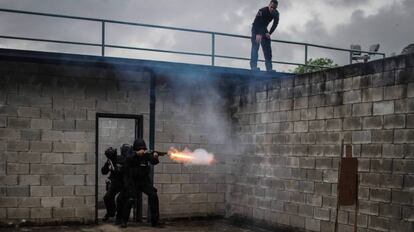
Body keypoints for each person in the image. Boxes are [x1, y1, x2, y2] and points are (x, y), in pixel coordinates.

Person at [120, 138, 162, 228]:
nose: (142, 150)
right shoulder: (130, 151)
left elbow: (154, 162)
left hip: (144, 180)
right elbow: (127, 159)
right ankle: (124, 221)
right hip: (132, 180)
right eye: (140, 149)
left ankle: (155, 221)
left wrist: (155, 156)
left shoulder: (146, 153)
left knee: (153, 195)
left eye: (142, 148)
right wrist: (136, 154)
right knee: (130, 199)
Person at [250, 0, 280, 72]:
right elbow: (256, 23)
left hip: (264, 30)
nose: (272, 9)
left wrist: (269, 33)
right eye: (271, 7)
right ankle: (253, 67)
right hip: (255, 29)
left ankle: (269, 69)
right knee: (255, 48)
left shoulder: (276, 13)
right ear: (269, 5)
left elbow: (275, 24)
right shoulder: (262, 11)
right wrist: (258, 34)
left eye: (274, 8)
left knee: (268, 50)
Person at [101, 147, 124, 222]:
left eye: (110, 156)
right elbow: (104, 172)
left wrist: (114, 168)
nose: (109, 157)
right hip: (115, 183)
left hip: (123, 182)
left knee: (120, 199)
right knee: (107, 198)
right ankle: (111, 213)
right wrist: (107, 165)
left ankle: (119, 217)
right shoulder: (109, 161)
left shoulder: (121, 159)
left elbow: (122, 171)